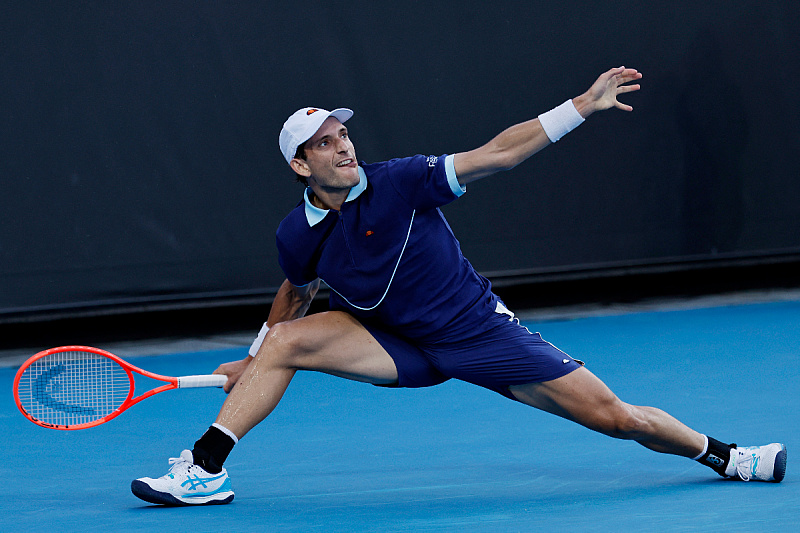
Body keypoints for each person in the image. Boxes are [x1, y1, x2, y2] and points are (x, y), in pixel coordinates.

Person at [131, 67, 786, 506]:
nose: (342, 146)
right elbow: (294, 294)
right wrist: (255, 355)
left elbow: (497, 153)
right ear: (301, 165)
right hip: (395, 344)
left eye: (344, 134)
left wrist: (581, 107)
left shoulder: (400, 181)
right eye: (325, 143)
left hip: (475, 333)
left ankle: (725, 455)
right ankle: (205, 468)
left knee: (614, 417)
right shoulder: (295, 234)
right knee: (288, 341)